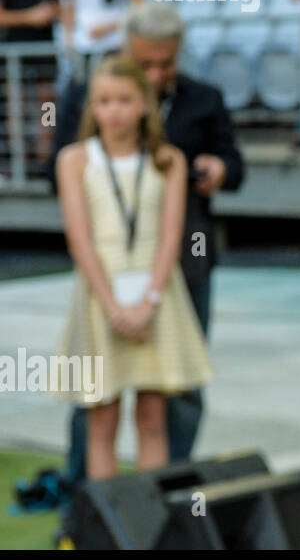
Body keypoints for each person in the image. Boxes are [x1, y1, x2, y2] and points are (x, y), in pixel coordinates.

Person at [52, 55, 211, 478]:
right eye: (103, 101)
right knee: (101, 417)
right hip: (98, 296)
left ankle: (149, 529)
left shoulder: (168, 160)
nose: (113, 111)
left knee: (153, 416)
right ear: (92, 107)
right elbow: (80, 238)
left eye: (124, 100)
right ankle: (108, 526)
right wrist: (112, 306)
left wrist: (149, 301)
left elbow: (169, 238)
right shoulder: (74, 160)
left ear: (144, 103)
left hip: (156, 296)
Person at [0, 0, 62, 161]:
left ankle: (45, 156)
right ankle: (19, 160)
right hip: (14, 55)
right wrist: (29, 17)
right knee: (15, 107)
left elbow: (59, 7)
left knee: (48, 106)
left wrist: (51, 14)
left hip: (45, 53)